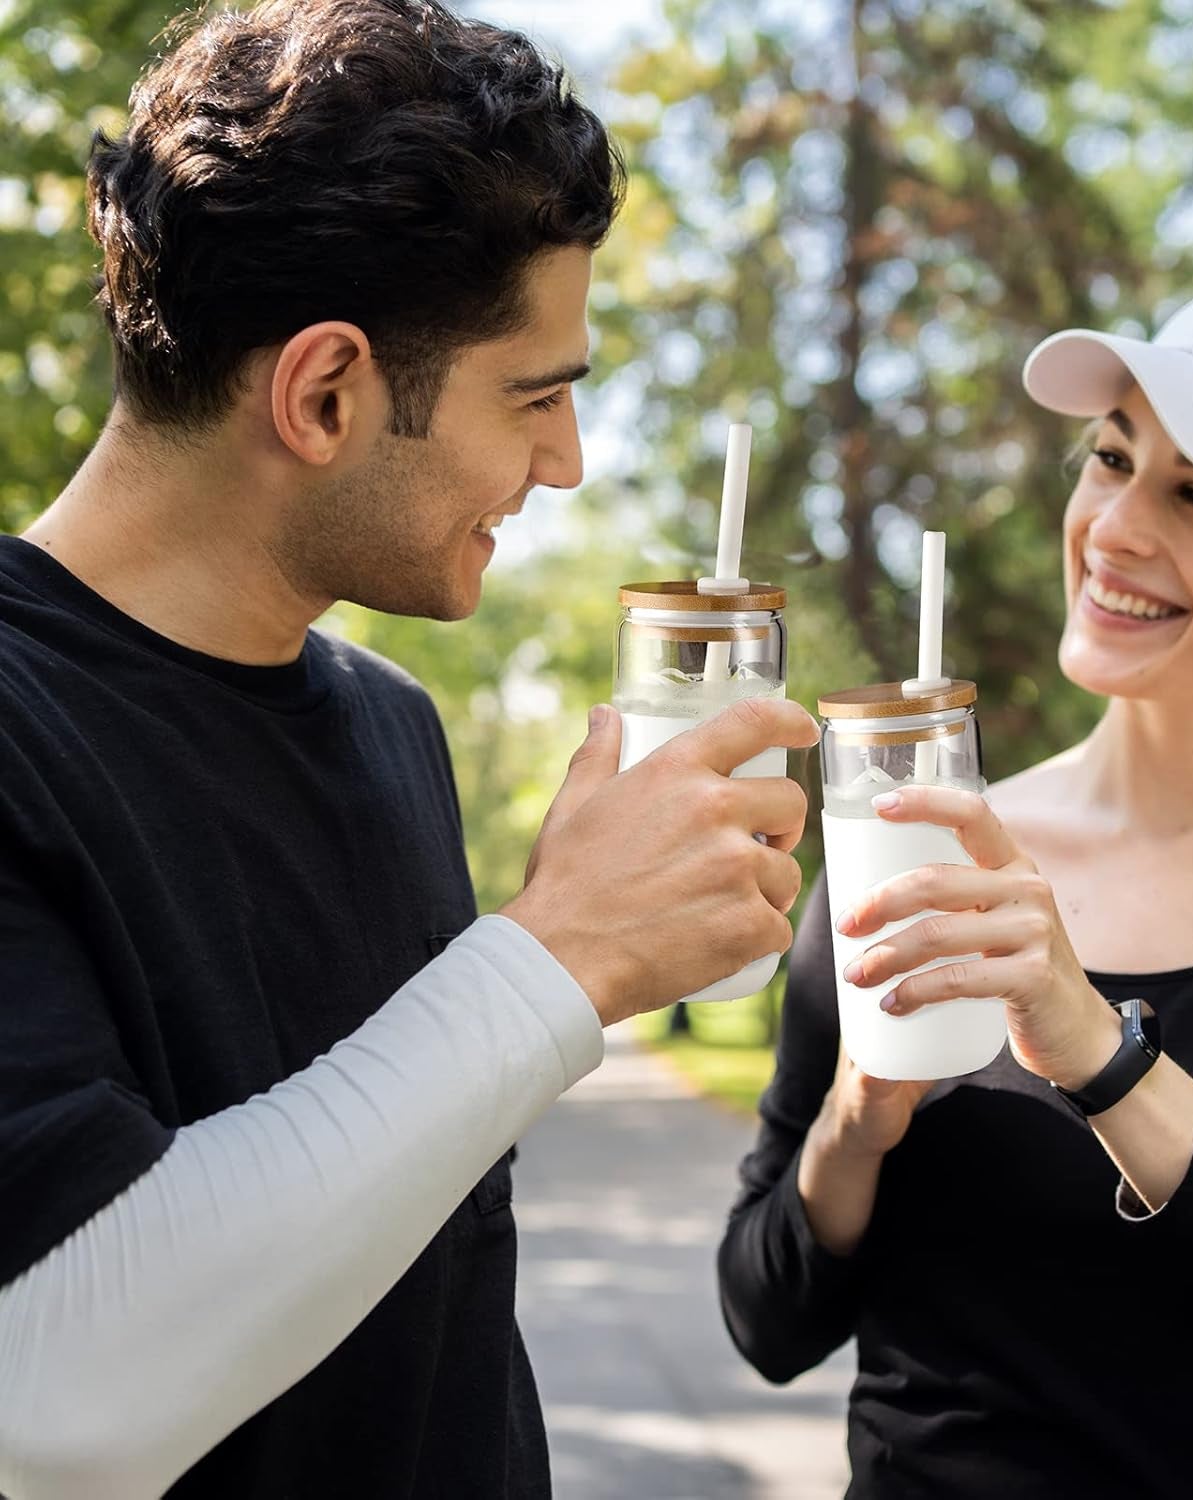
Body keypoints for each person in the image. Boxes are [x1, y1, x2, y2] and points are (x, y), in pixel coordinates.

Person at [0, 2, 817, 1496]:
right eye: (538, 395)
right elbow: (46, 1393)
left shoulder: (393, 725)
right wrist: (559, 959)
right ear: (325, 394)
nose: (565, 462)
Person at [718, 266, 1193, 1499]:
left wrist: (1098, 1050)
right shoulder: (916, 857)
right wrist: (854, 1132)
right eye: (1114, 457)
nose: (1119, 527)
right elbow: (766, 1321)